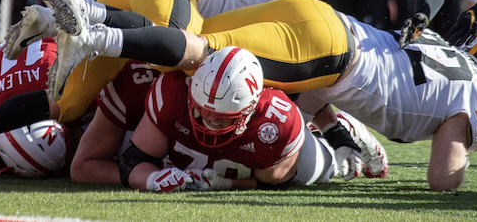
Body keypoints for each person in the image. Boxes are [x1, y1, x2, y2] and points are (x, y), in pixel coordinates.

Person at [0, 0, 374, 182]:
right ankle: (85, 20)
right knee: (191, 56)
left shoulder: (283, 30)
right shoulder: (288, 27)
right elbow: (293, 87)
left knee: (67, 102)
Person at [43, 0, 477, 191]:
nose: (208, 123)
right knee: (196, 56)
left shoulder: (271, 114)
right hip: (331, 53)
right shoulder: (476, 96)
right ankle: (91, 23)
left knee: (192, 46)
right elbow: (442, 180)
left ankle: (92, 21)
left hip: (331, 38)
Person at [112, 48, 381, 192]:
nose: (208, 123)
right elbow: (133, 161)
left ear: (249, 111)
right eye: (201, 112)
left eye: (220, 119)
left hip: (272, 156)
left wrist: (225, 183)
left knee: (319, 170)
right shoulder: (172, 91)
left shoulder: (274, 121)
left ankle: (340, 129)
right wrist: (151, 179)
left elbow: (273, 182)